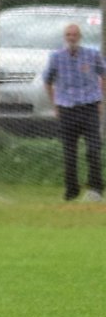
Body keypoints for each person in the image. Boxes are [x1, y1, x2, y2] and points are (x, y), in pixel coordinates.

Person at [42, 21, 106, 202]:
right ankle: (71, 190)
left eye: (75, 35)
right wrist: (55, 104)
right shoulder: (56, 57)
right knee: (69, 152)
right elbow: (47, 80)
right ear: (65, 38)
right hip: (66, 108)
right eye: (68, 35)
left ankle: (96, 188)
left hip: (89, 106)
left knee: (93, 149)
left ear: (80, 37)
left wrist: (100, 99)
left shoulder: (92, 55)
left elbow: (103, 74)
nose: (72, 38)